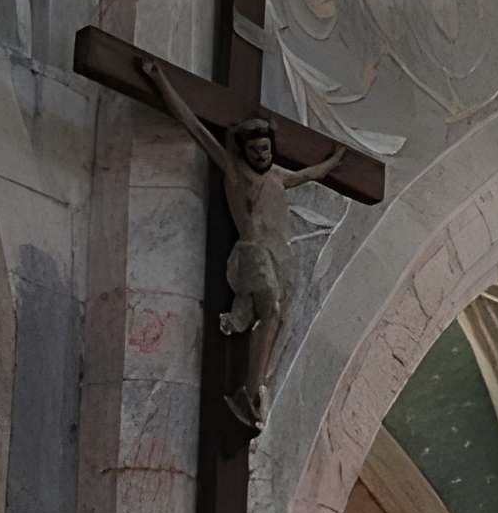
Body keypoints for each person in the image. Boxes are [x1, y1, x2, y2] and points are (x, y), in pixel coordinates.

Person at [139, 59, 350, 433]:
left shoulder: (280, 178)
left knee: (278, 317)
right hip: (251, 252)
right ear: (245, 151)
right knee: (272, 306)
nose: (262, 156)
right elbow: (193, 123)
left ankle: (253, 384)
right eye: (256, 151)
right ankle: (252, 390)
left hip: (277, 255)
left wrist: (335, 160)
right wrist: (159, 80)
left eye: (267, 150)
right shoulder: (234, 172)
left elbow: (312, 173)